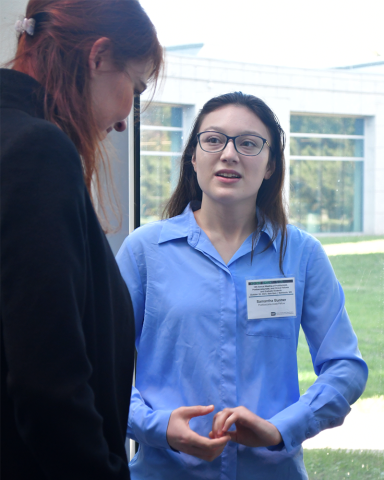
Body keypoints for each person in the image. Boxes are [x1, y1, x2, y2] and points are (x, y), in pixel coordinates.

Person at [116, 92, 368, 479]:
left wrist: (281, 429)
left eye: (249, 143)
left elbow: (345, 367)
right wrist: (158, 426)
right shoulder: (144, 252)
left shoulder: (301, 254)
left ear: (270, 166)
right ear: (193, 158)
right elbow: (98, 366)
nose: (229, 154)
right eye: (214, 140)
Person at [0, 1, 162, 479]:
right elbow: (49, 384)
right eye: (133, 88)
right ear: (98, 56)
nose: (123, 120)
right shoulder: (37, 151)